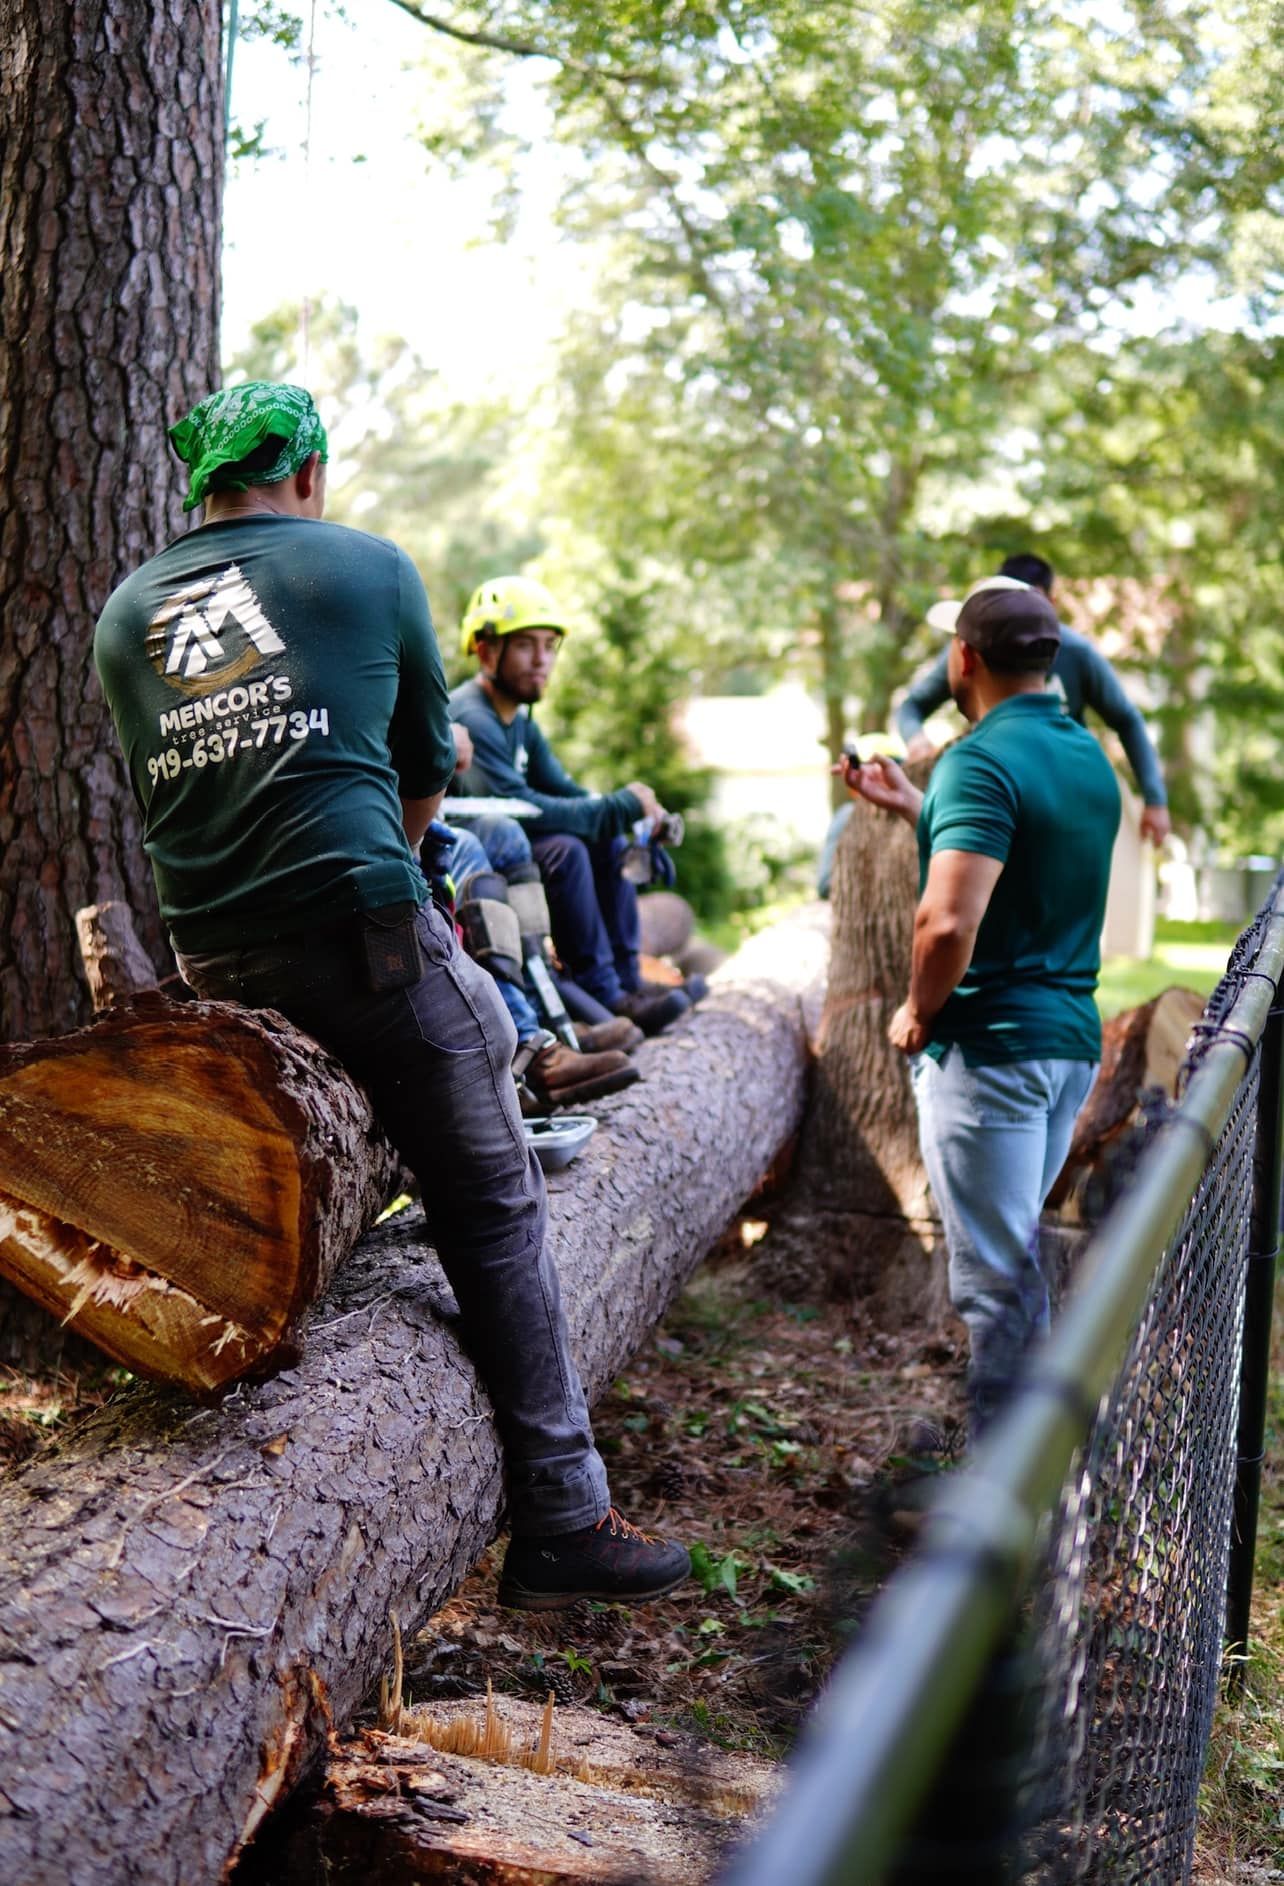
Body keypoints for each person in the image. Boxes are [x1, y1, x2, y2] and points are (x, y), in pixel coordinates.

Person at [92, 380, 689, 1610]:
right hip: (364, 940)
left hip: (215, 963)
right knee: (497, 1200)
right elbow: (426, 773)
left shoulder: (125, 611)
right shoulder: (364, 567)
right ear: (304, 467)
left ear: (202, 482)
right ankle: (566, 1513)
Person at [839, 576, 1121, 1434]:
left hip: (990, 1052)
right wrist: (918, 810)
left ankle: (1009, 1493)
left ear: (964, 658)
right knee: (1013, 1265)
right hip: (1066, 1051)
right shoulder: (1084, 756)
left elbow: (948, 920)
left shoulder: (980, 757)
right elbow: (1024, 859)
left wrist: (920, 1011)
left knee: (995, 1280)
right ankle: (1027, 1466)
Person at [449, 576, 699, 1036]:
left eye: (549, 646)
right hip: (474, 866)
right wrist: (614, 808)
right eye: (526, 645)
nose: (542, 660)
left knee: (605, 839)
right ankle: (601, 991)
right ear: (486, 652)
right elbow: (517, 807)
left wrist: (630, 812)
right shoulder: (472, 716)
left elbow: (565, 792)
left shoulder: (520, 722)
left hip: (515, 850)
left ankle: (627, 981)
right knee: (566, 849)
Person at [899, 552, 1170, 845]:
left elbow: (1127, 719)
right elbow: (911, 706)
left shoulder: (1078, 656)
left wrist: (1155, 798)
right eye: (1010, 608)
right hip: (1001, 787)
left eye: (1030, 605)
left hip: (1064, 792)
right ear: (967, 656)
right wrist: (917, 742)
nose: (1020, 617)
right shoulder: (975, 767)